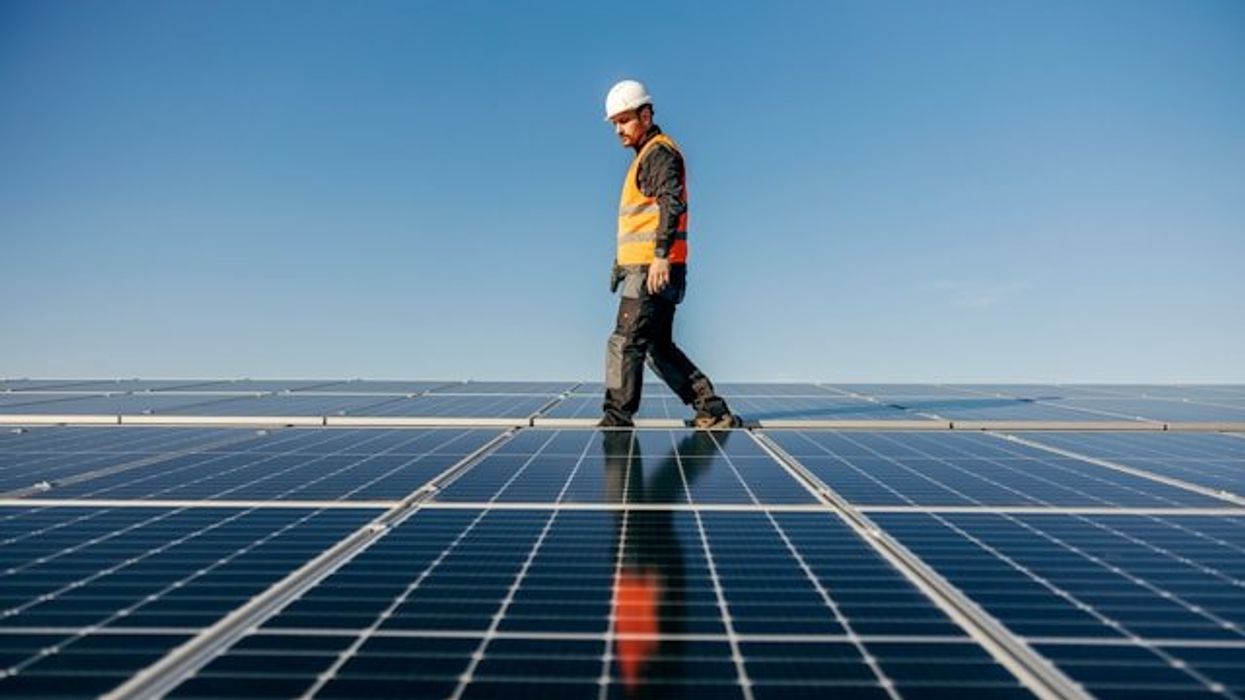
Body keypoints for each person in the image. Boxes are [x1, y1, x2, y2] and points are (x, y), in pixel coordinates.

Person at [600, 79, 739, 430]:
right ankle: (711, 408)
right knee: (657, 347)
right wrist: (622, 264)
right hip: (650, 267)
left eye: (625, 119)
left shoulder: (659, 153)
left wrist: (660, 255)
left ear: (646, 115)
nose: (618, 129)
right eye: (614, 122)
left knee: (626, 341)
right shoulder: (647, 156)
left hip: (654, 269)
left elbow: (671, 202)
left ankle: (616, 420)